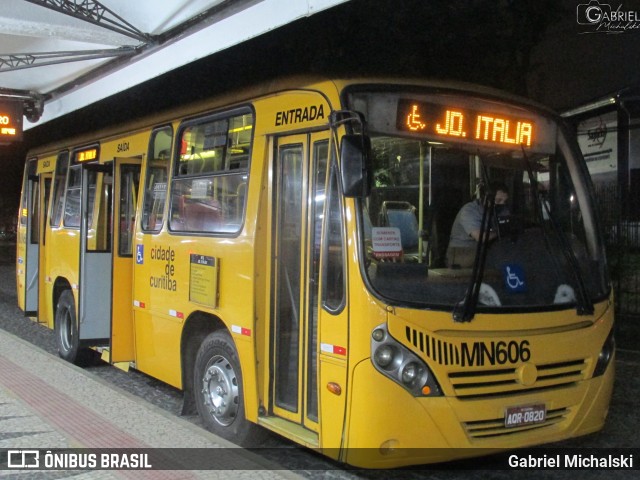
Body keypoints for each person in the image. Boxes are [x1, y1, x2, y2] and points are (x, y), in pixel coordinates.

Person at [446, 182, 509, 268]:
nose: (502, 204)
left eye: (504, 201)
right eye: (498, 201)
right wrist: (502, 231)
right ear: (486, 198)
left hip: (484, 250)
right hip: (462, 252)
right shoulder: (469, 210)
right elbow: (480, 237)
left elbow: (507, 223)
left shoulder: (500, 210)